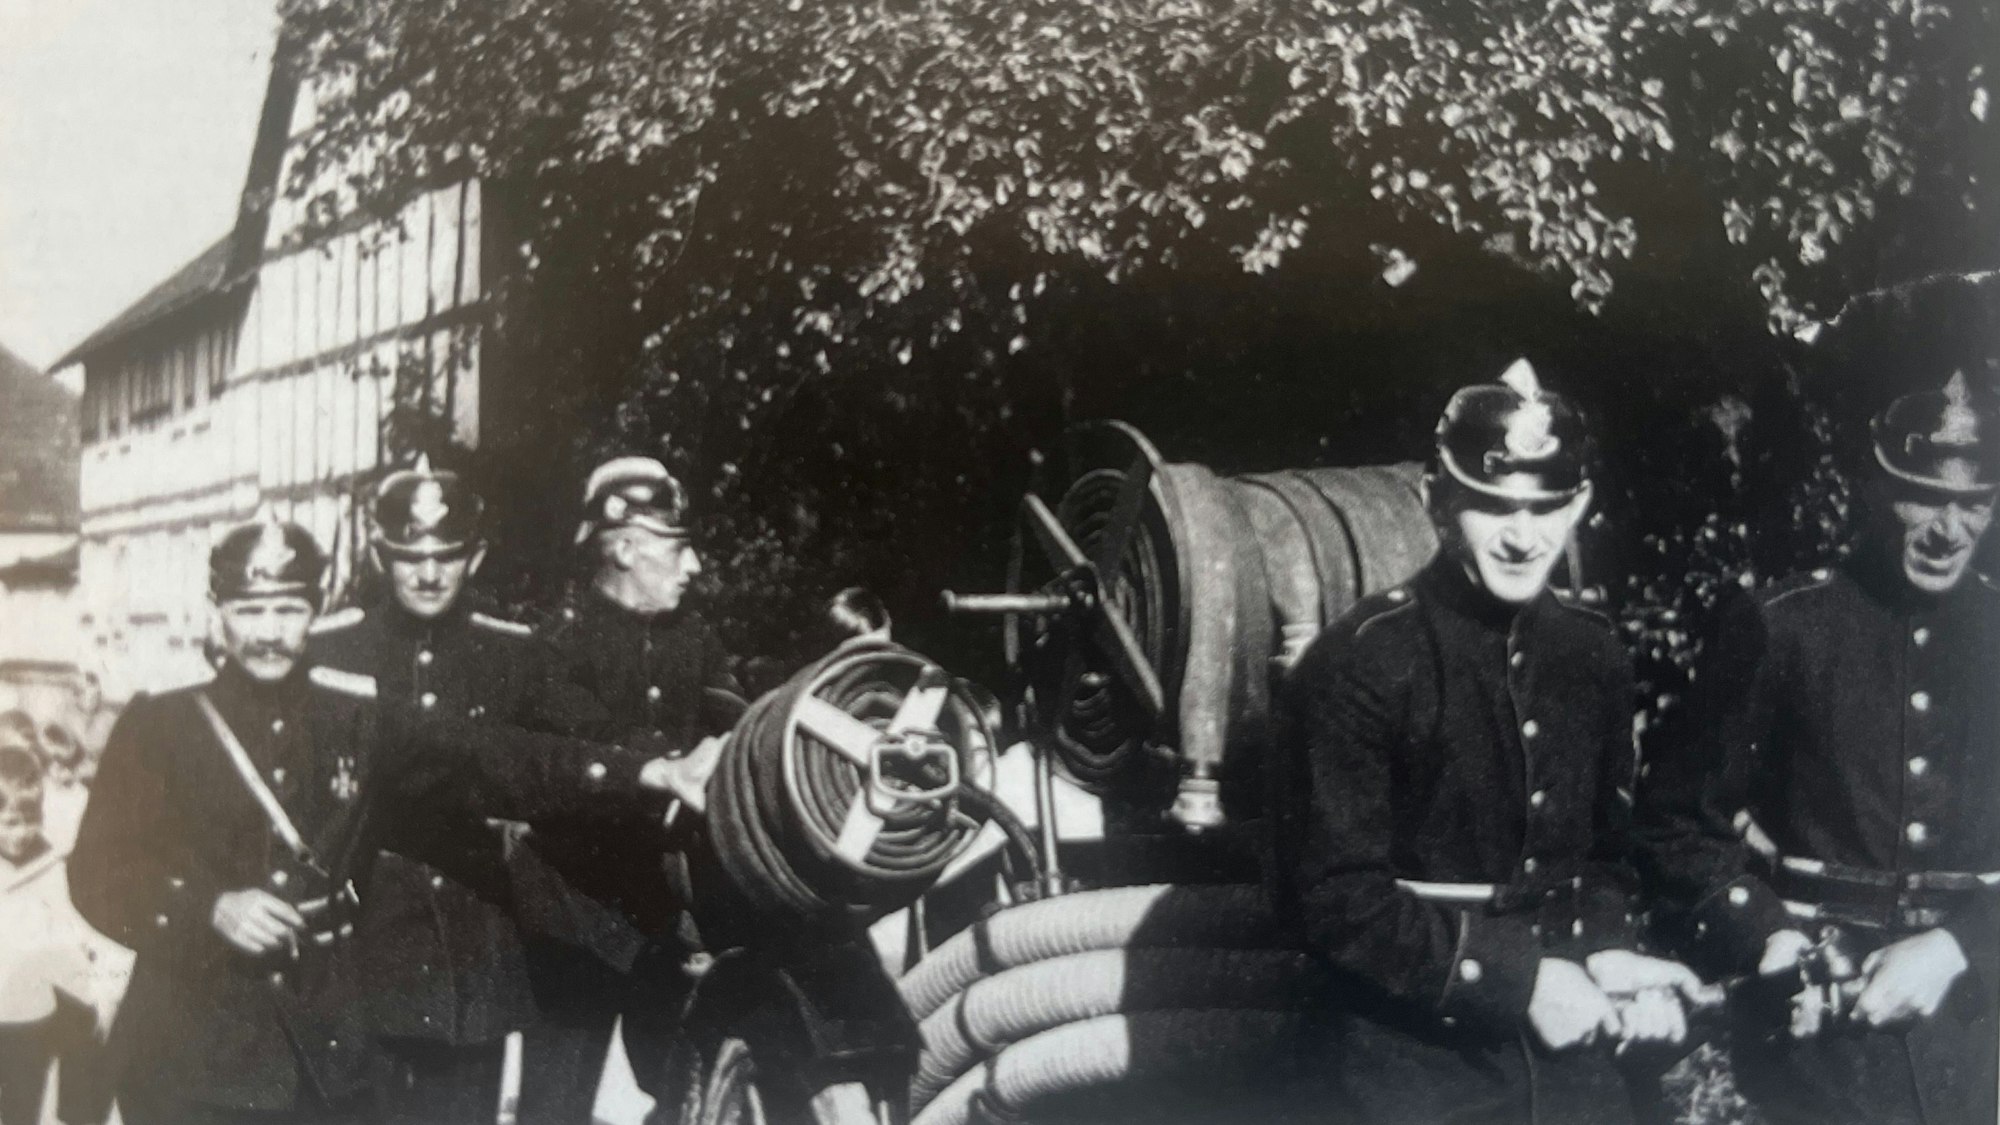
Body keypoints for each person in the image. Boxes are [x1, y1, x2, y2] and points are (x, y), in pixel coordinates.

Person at [67, 513, 716, 1125]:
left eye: (288, 610)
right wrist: (210, 906)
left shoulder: (355, 718)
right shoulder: (160, 727)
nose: (268, 631)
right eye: (250, 610)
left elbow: (494, 757)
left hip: (325, 1048)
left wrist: (650, 774)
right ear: (218, 613)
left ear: (313, 613)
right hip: (192, 1052)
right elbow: (99, 871)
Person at [1271, 359, 1712, 1125]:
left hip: (1575, 1061)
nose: (1521, 536)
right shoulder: (1361, 658)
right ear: (1435, 503)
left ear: (1580, 507)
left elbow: (1603, 856)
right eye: (1489, 505)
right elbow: (1334, 899)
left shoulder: (1592, 653)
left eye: (1546, 508)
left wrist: (1609, 952)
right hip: (1404, 1064)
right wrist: (1522, 982)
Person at [1637, 371, 2000, 1125]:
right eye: (1924, 495)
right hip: (1819, 1036)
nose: (1949, 528)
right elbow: (1675, 822)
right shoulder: (1782, 626)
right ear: (1871, 489)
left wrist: (1962, 945)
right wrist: (1767, 938)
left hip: (1979, 1026)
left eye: (1975, 502)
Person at [308, 455, 548, 1125]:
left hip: (476, 949)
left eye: (447, 553)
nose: (429, 570)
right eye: (410, 554)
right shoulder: (331, 653)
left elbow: (550, 775)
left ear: (474, 558)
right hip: (366, 945)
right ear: (382, 556)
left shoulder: (516, 656)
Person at [522, 455, 747, 1125]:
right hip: (575, 915)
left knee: (683, 1091)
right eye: (676, 548)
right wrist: (676, 763)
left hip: (665, 916)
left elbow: (734, 711)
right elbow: (586, 746)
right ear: (622, 547)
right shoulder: (558, 644)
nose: (694, 566)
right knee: (557, 1104)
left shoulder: (694, 639)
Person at [0, 745, 108, 1125]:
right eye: (10, 822)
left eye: (30, 820)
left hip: (35, 1008)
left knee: (31, 1099)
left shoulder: (51, 863)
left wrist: (84, 966)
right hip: (4, 1011)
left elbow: (69, 930)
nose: (20, 834)